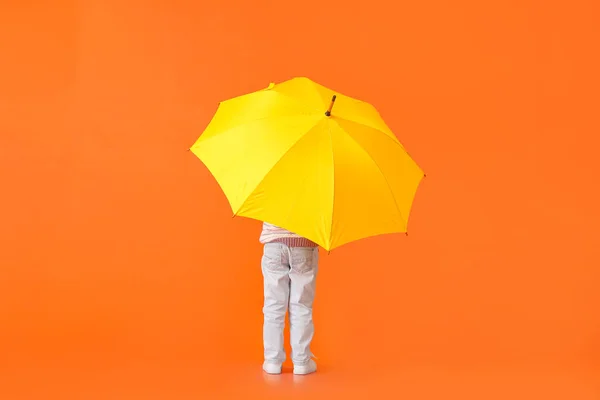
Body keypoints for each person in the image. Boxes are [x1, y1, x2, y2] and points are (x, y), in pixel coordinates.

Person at [259, 221, 319, 375]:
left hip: (274, 245)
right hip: (304, 244)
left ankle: (272, 360)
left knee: (273, 306)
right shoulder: (314, 195)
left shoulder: (268, 194)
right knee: (301, 306)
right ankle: (302, 362)